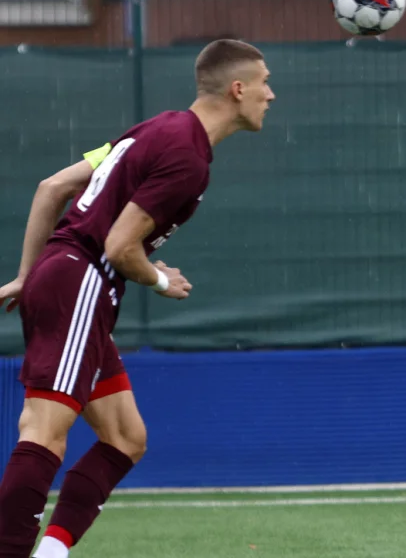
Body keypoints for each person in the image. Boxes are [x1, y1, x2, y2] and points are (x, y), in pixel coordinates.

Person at [0, 39, 275, 558]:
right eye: (264, 82)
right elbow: (119, 246)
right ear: (238, 90)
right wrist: (160, 280)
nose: (271, 94)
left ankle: (50, 553)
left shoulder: (151, 129)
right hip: (82, 280)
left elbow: (52, 185)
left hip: (70, 278)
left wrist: (26, 275)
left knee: (126, 438)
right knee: (43, 430)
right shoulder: (187, 158)